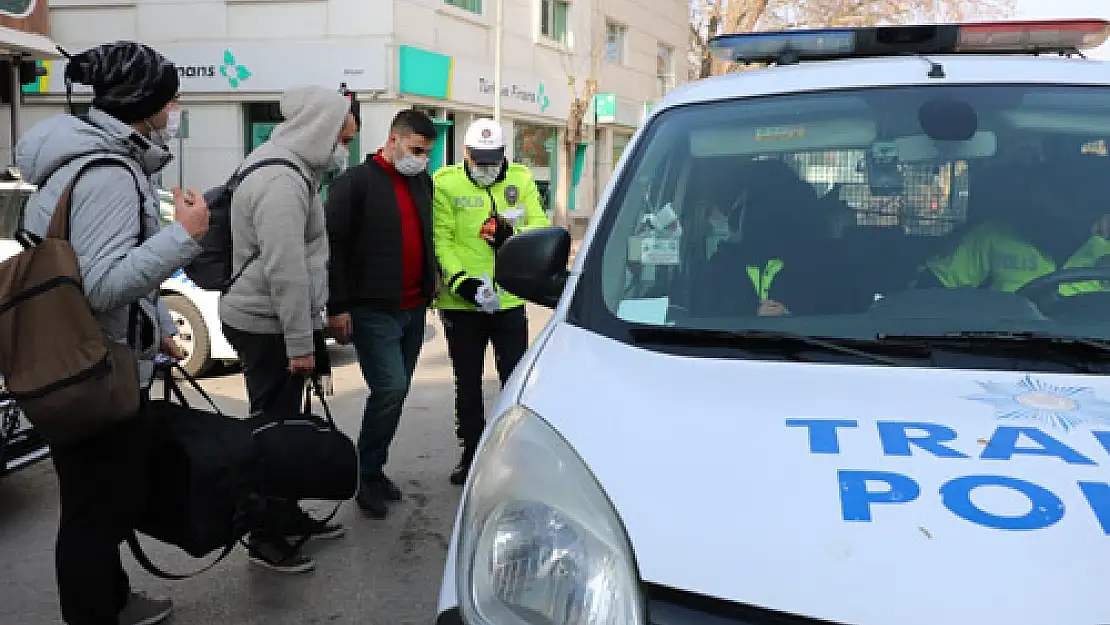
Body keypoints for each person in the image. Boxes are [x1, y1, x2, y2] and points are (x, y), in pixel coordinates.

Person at [16, 42, 207, 625]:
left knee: (95, 502)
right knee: (94, 513)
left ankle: (113, 601)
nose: (175, 110)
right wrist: (186, 235)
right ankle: (97, 613)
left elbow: (81, 271)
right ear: (143, 103)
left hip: (78, 354)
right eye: (170, 100)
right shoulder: (107, 173)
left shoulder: (78, 159)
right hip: (95, 367)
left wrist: (155, 330)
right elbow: (101, 285)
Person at [218, 85, 357, 573]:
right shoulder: (281, 180)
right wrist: (302, 345)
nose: (349, 137)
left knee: (285, 429)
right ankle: (264, 535)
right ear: (321, 127)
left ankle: (286, 514)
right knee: (271, 434)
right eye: (344, 128)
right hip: (265, 326)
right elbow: (285, 270)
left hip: (275, 321)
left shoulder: (296, 169)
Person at [324, 109, 439, 519]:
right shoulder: (355, 184)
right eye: (415, 150)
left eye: (426, 153)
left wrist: (433, 277)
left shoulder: (421, 182)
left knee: (398, 391)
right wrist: (337, 308)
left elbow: (425, 234)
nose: (421, 159)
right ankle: (365, 473)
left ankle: (375, 469)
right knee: (390, 388)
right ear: (393, 139)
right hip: (372, 309)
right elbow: (332, 248)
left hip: (413, 307)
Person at [431, 118, 551, 485]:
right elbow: (442, 239)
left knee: (514, 378)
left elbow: (541, 224)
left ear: (503, 155)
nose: (486, 167)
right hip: (461, 303)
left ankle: (512, 451)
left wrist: (511, 235)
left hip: (510, 298)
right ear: (465, 153)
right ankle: (471, 452)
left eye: (493, 159)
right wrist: (461, 282)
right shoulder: (445, 183)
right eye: (479, 159)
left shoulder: (521, 179)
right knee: (466, 382)